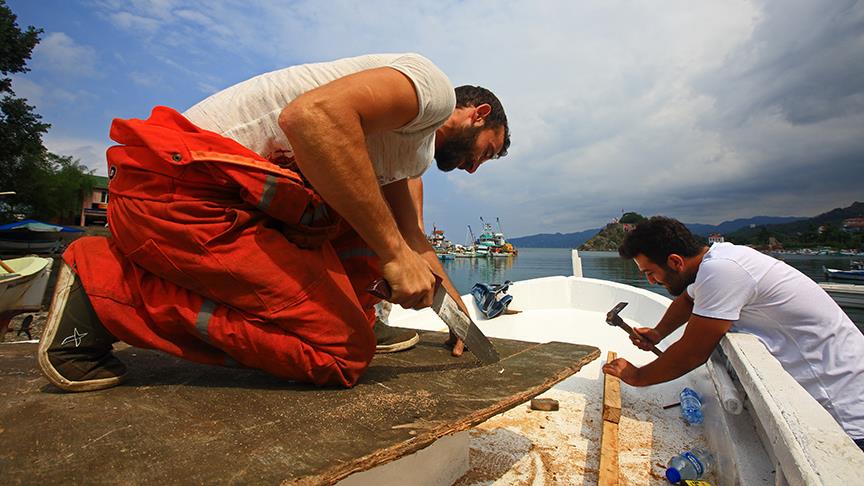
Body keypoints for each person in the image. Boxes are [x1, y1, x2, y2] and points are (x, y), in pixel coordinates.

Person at [37, 53, 510, 391]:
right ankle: (104, 288)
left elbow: (412, 241)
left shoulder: (407, 155)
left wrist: (454, 313)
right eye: (484, 152)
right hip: (178, 187)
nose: (472, 169)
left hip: (219, 199)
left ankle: (357, 315)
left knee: (366, 224)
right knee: (342, 356)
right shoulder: (430, 87)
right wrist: (392, 255)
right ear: (477, 114)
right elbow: (311, 116)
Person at [602, 216, 864, 450]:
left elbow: (691, 354)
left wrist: (636, 376)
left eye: (650, 273)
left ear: (675, 261)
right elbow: (688, 300)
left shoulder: (722, 272)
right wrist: (658, 332)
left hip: (843, 409)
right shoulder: (719, 260)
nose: (651, 281)